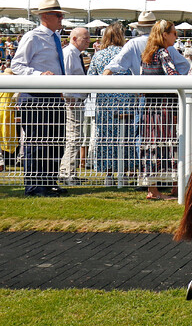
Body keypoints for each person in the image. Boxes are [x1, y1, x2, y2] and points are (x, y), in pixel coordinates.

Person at [10, 0, 68, 197]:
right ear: (45, 17)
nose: (62, 19)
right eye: (58, 15)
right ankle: (35, 187)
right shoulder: (33, 37)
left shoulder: (55, 38)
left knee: (56, 140)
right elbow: (17, 65)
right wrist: (39, 75)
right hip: (35, 95)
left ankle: (49, 182)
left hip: (52, 95)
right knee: (37, 141)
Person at [87, 23, 136, 185]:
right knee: (127, 137)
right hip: (126, 100)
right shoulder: (127, 53)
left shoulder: (98, 56)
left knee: (106, 137)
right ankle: (127, 172)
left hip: (105, 102)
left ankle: (108, 174)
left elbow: (91, 78)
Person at [139, 20, 181, 200]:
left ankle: (153, 188)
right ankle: (174, 187)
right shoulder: (163, 53)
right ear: (165, 35)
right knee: (169, 145)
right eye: (174, 33)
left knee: (151, 146)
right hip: (165, 109)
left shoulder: (147, 54)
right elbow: (173, 76)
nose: (176, 36)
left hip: (150, 108)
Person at [103, 11, 190, 76]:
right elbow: (184, 65)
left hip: (142, 90)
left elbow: (115, 65)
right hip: (164, 93)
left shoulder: (133, 44)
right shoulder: (165, 45)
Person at [59, 27, 91, 185]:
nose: (88, 41)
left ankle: (68, 171)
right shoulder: (70, 53)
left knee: (76, 137)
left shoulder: (74, 53)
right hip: (72, 101)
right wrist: (67, 95)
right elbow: (65, 75)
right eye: (84, 38)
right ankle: (68, 174)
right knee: (74, 137)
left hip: (76, 100)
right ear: (74, 39)